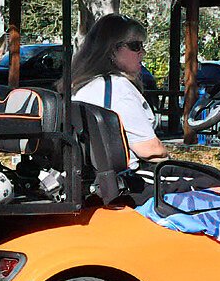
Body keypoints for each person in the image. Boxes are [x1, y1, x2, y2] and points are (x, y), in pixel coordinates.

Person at [67, 13, 167, 169]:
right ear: (112, 50)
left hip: (91, 177)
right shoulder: (118, 88)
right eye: (135, 46)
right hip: (131, 181)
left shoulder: (79, 86)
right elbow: (151, 150)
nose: (143, 52)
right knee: (213, 185)